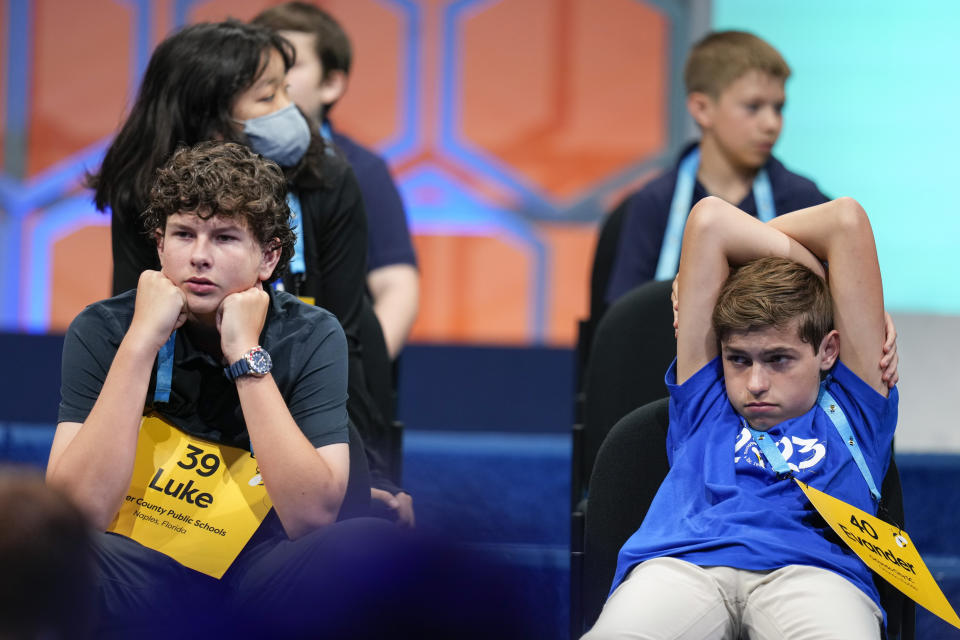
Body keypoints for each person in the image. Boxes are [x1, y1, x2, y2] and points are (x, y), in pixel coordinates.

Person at [51, 142, 402, 635]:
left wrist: (243, 353)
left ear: (269, 256)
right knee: (50, 554)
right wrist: (140, 343)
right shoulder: (105, 327)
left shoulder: (311, 333)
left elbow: (311, 515)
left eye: (225, 237)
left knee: (372, 546)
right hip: (140, 561)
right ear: (159, 245)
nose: (198, 256)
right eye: (184, 233)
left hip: (261, 568)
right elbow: (74, 514)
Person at [89, 19, 412, 526]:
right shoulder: (142, 189)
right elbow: (135, 337)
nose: (289, 110)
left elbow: (344, 342)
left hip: (301, 407)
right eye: (267, 97)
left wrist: (369, 476)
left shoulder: (330, 179)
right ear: (212, 119)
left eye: (287, 88)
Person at [584, 195, 897, 639]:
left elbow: (845, 221)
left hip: (814, 573)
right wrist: (820, 277)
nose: (754, 383)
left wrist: (830, 291)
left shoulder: (855, 407)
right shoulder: (706, 399)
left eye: (779, 359)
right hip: (683, 565)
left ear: (828, 351)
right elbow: (711, 221)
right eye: (739, 359)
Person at [605, 31, 829, 305]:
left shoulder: (804, 200)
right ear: (702, 109)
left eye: (778, 107)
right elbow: (625, 324)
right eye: (753, 106)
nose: (771, 124)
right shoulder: (654, 203)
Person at [253, 2, 420, 361]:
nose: (271, 76)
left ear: (331, 83)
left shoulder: (361, 169)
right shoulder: (223, 161)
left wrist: (356, 372)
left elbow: (397, 285)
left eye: (290, 64)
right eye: (261, 61)